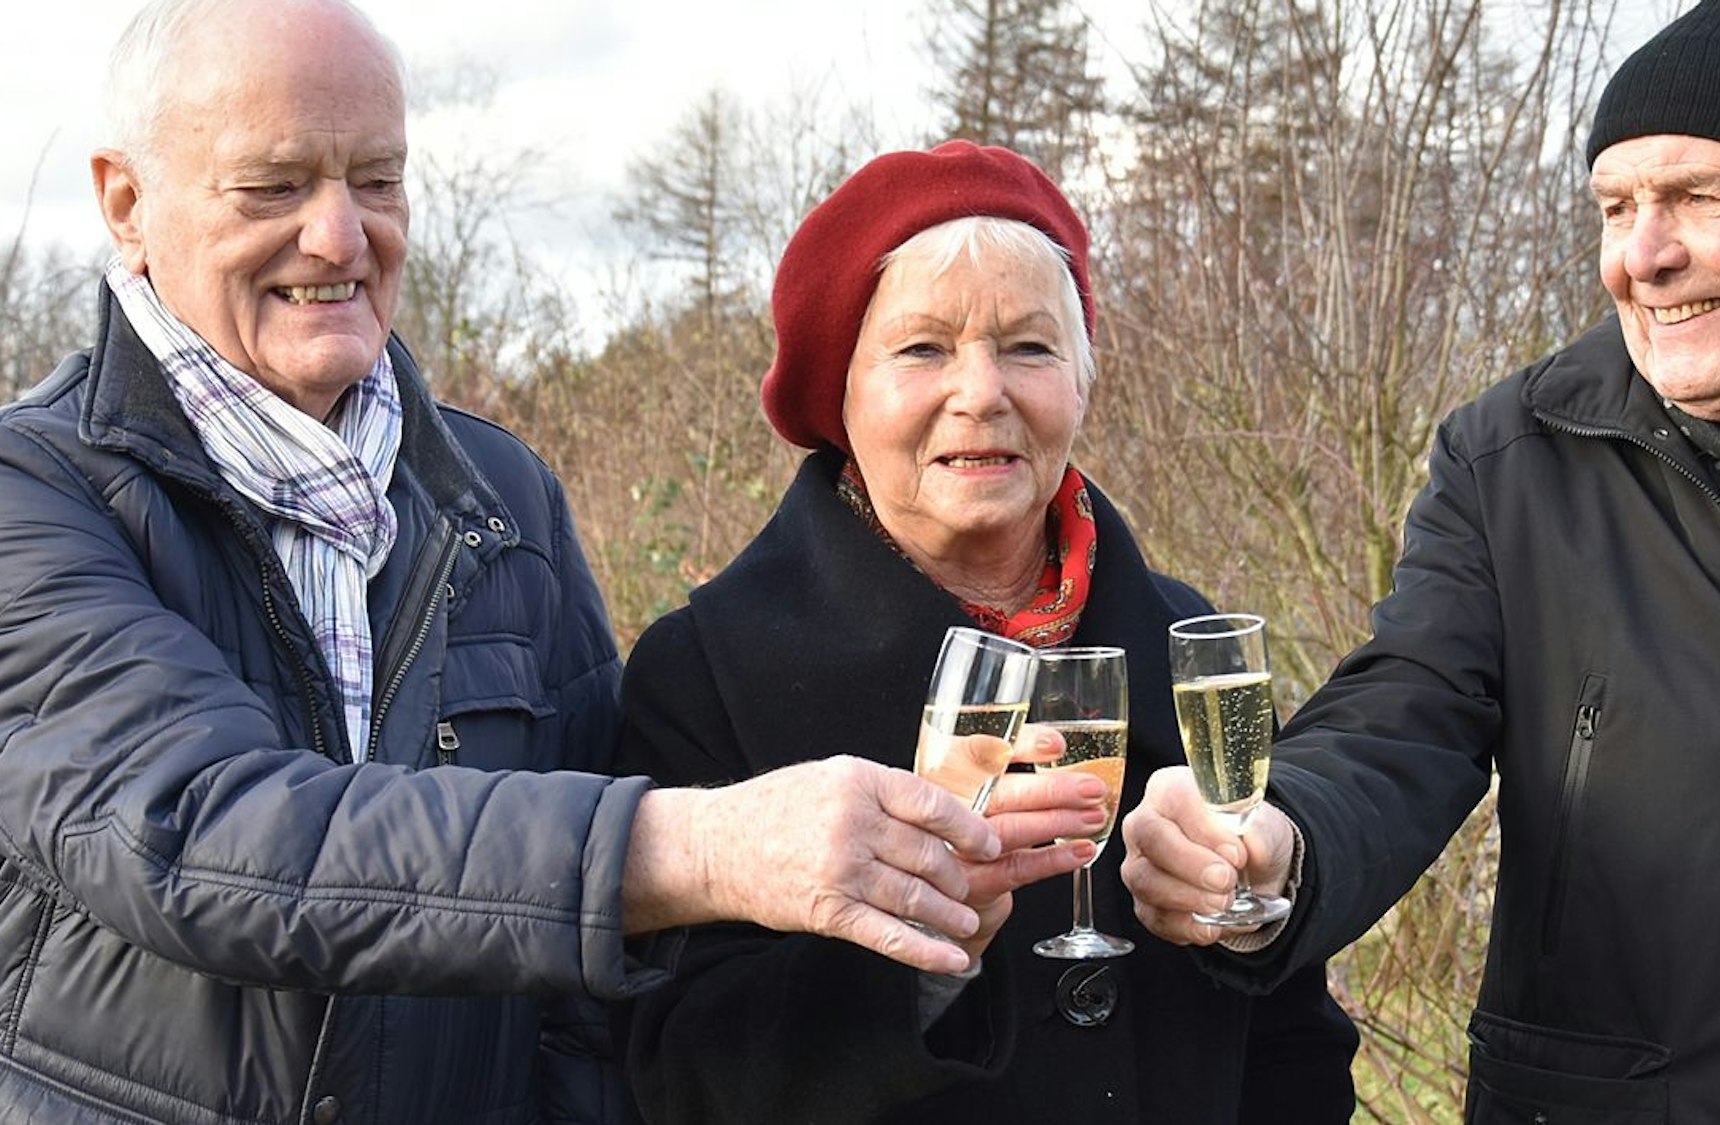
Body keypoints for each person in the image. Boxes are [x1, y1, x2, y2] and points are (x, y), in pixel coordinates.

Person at [0, 3, 1059, 1122]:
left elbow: (590, 996)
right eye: (274, 186)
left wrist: (922, 887)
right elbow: (201, 835)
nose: (339, 237)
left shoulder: (499, 499)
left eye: (376, 180)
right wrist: (702, 844)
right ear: (126, 202)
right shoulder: (37, 494)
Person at [1120, 0, 1720, 1119]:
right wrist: (1278, 840)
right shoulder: (1510, 462)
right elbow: (1404, 712)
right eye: (1615, 207)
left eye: (1695, 197)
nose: (1641, 255)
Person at [613, 139, 1359, 1123]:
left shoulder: (1191, 648)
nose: (982, 393)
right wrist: (920, 967)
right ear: (840, 394)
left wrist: (1255, 924)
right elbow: (674, 1077)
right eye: (922, 349)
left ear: (1082, 382)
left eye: (1029, 346)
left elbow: (1292, 1044)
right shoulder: (704, 669)